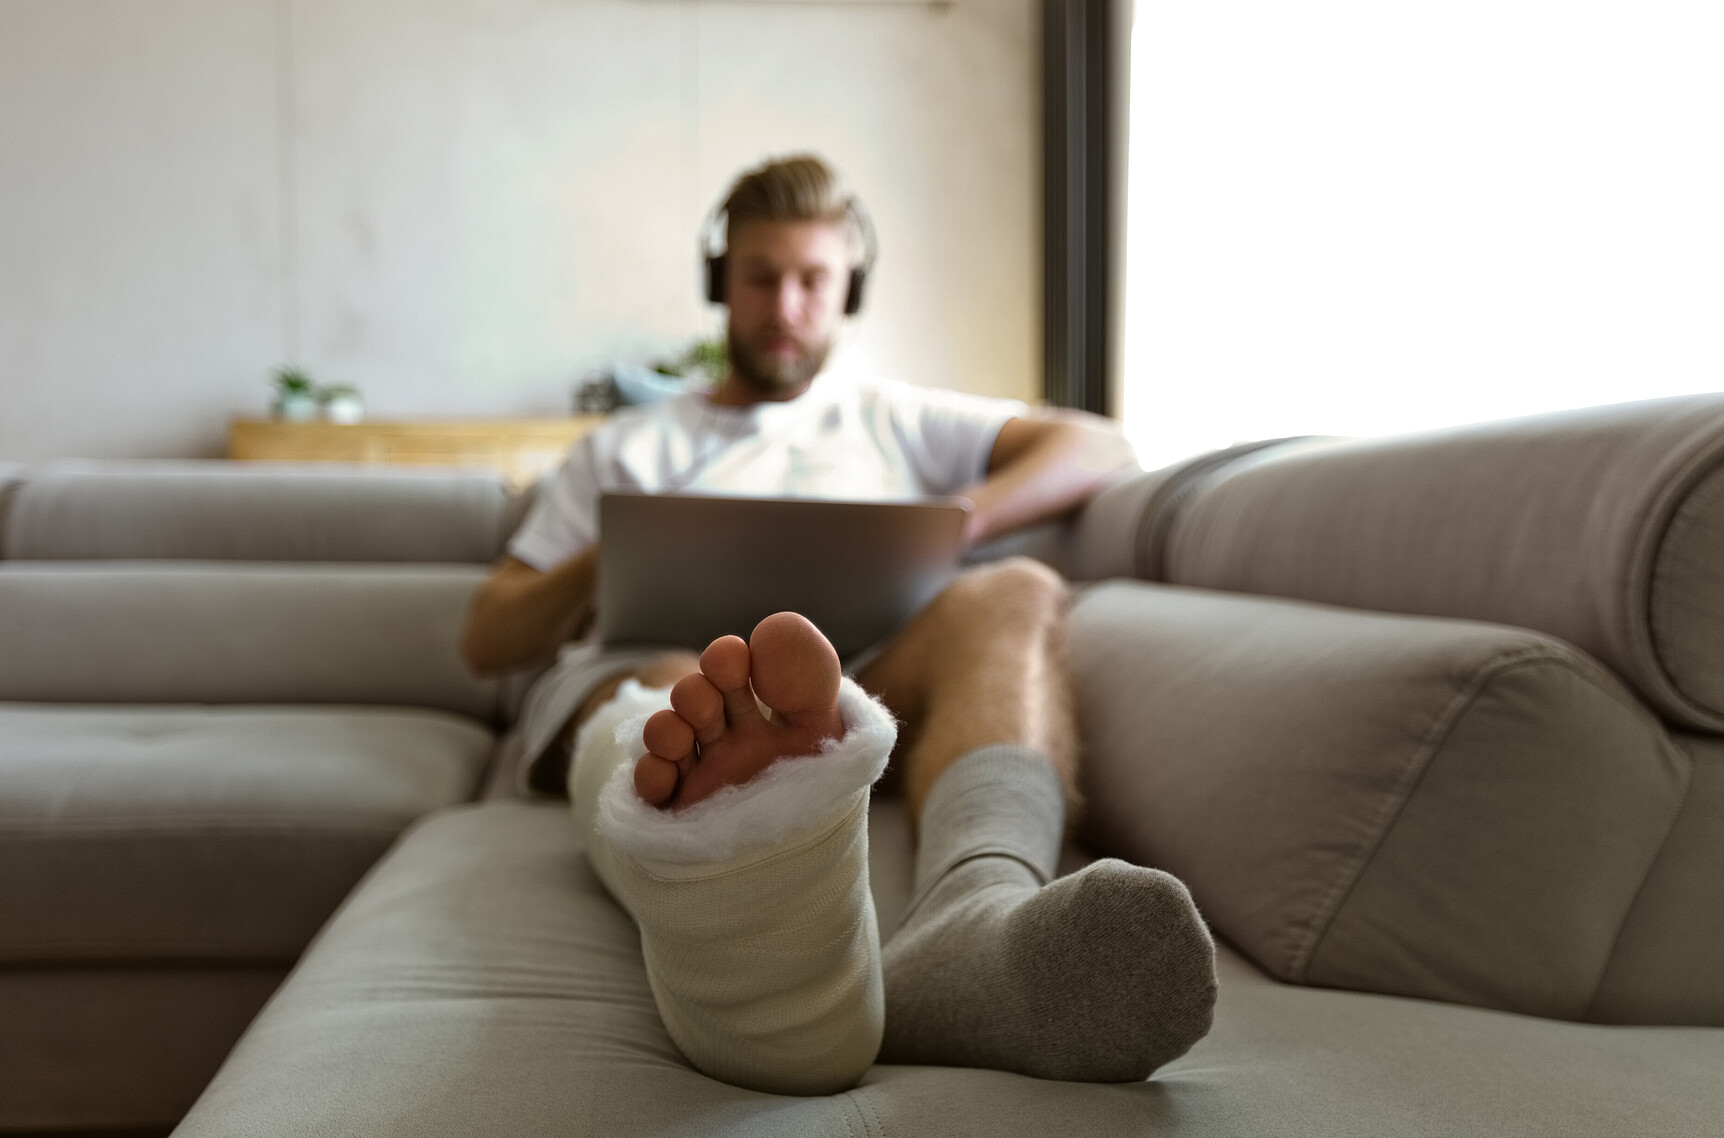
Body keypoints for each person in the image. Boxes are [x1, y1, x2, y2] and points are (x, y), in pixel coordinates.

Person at [461, 154, 1217, 1095]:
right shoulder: (625, 448)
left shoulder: (891, 419)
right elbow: (487, 636)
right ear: (719, 285)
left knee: (1014, 587)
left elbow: (1101, 442)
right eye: (761, 277)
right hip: (654, 663)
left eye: (812, 280)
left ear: (847, 288)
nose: (786, 306)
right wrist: (613, 548)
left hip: (866, 680)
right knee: (677, 678)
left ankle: (972, 915)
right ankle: (724, 871)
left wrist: (957, 520)